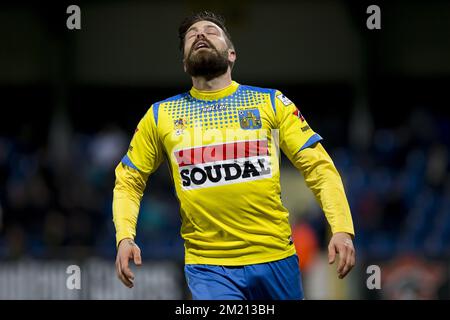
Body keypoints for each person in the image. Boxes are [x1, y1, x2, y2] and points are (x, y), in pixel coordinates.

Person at [112, 11, 355, 300]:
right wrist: (125, 237)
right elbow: (128, 180)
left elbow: (319, 169)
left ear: (231, 54)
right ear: (184, 63)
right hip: (209, 266)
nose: (200, 34)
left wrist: (341, 228)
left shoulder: (270, 102)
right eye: (192, 35)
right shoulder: (160, 115)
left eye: (210, 31)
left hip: (276, 257)